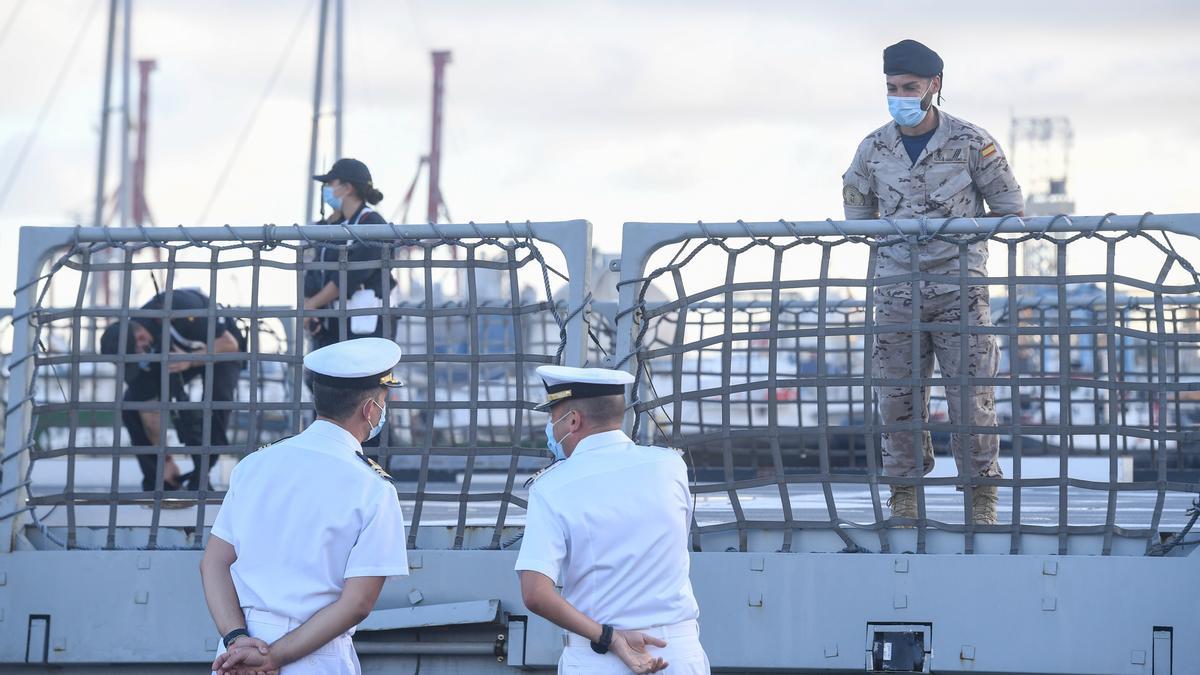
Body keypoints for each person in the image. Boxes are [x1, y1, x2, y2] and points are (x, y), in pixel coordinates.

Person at [841, 39, 1024, 524]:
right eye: (892, 87)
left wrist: (958, 241)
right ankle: (904, 495)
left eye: (910, 87)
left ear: (934, 86)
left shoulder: (971, 142)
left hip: (959, 294)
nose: (900, 95)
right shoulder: (873, 147)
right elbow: (858, 214)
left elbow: (1009, 210)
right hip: (897, 296)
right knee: (897, 400)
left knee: (971, 399)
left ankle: (981, 498)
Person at [202, 337, 409, 675]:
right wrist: (273, 658)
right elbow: (357, 603)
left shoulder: (254, 465)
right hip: (313, 655)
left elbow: (213, 563)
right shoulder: (373, 488)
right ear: (370, 410)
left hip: (237, 653)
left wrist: (236, 638)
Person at [516, 365, 710, 674]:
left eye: (553, 419)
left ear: (574, 420)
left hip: (601, 658)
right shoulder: (671, 467)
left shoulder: (552, 487)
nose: (551, 430)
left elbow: (535, 593)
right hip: (679, 654)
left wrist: (611, 638)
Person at [100, 288, 245, 492]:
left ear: (141, 338)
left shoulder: (182, 309)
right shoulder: (137, 339)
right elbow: (147, 409)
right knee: (131, 405)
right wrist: (164, 457)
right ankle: (160, 479)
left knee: (217, 402)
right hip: (176, 356)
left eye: (138, 357)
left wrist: (191, 360)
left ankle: (201, 476)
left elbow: (230, 344)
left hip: (220, 347)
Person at [304, 158, 394, 351]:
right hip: (335, 325)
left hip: (365, 327)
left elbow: (350, 275)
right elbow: (315, 270)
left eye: (330, 183)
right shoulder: (338, 226)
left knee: (364, 380)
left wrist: (310, 305)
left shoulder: (372, 223)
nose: (326, 189)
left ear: (347, 188)